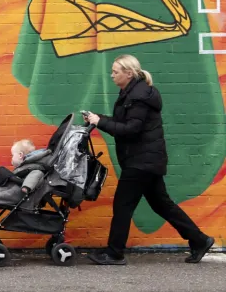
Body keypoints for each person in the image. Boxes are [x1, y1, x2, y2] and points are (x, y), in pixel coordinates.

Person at [83, 54, 216, 265]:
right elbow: (122, 123)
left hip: (141, 162)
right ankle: (200, 240)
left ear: (129, 73)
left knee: (123, 205)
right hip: (146, 160)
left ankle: (114, 253)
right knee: (162, 205)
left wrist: (100, 122)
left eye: (115, 72)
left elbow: (131, 129)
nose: (112, 75)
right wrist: (98, 118)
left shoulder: (139, 96)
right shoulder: (134, 93)